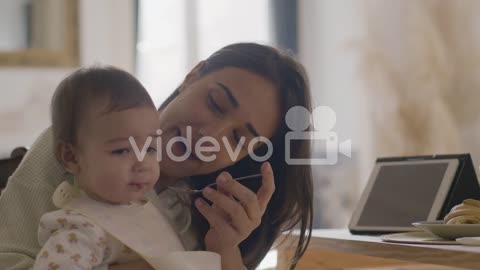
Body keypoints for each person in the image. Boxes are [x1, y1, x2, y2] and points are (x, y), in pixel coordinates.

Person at [0, 43, 313, 270]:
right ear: (192, 76)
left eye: (237, 138)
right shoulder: (80, 145)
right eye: (215, 103)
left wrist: (226, 252)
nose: (209, 136)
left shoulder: (207, 223)